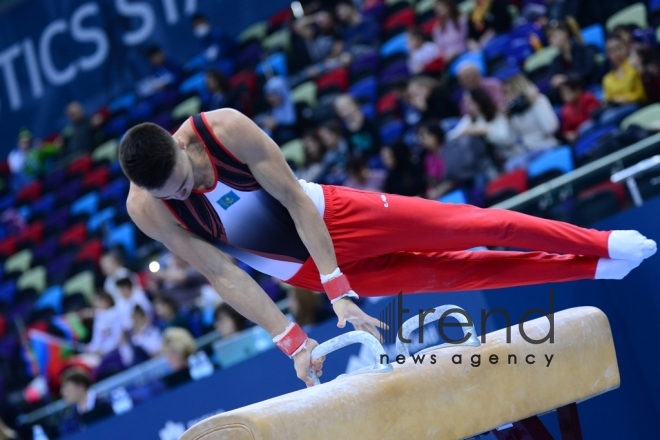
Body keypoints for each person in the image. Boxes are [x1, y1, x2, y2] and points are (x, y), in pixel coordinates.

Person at [119, 108, 657, 387]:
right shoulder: (148, 210)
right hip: (299, 268)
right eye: (171, 195)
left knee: (472, 225)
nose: (183, 194)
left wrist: (339, 290)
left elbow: (298, 204)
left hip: (334, 218)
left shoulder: (225, 131)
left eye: (184, 181)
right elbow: (225, 274)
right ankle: (597, 267)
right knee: (464, 275)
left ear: (178, 144)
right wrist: (294, 341)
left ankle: (600, 241)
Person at [502, 73, 560, 170]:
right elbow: (512, 140)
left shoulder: (539, 100)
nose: (508, 98)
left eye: (510, 93)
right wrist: (508, 121)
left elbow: (551, 128)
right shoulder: (514, 112)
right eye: (506, 94)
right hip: (528, 152)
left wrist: (535, 103)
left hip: (546, 146)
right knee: (510, 166)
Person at [599, 35, 646, 126]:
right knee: (585, 127)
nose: (616, 53)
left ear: (626, 47)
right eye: (612, 51)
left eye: (618, 48)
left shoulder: (634, 66)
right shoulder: (607, 79)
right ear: (608, 55)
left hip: (636, 105)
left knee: (607, 118)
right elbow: (608, 100)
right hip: (616, 109)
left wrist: (623, 99)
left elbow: (642, 94)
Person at [545, 19, 598, 92]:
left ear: (565, 33)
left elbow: (589, 71)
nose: (551, 41)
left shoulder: (585, 50)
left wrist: (567, 78)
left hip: (589, 89)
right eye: (549, 38)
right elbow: (552, 80)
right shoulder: (556, 61)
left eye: (554, 36)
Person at [58, 368, 114, 435]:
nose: (64, 394)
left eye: (68, 389)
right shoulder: (72, 416)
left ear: (81, 387)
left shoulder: (104, 403)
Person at [333, 94, 380, 159]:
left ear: (355, 104)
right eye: (341, 109)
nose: (345, 110)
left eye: (347, 106)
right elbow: (351, 152)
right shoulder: (345, 131)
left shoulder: (369, 121)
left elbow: (379, 143)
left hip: (377, 155)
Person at [558, 76, 601, 142]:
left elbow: (593, 117)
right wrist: (568, 134)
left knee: (585, 127)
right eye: (563, 94)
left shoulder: (588, 98)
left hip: (593, 127)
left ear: (577, 90)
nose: (565, 97)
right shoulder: (565, 109)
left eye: (568, 93)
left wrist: (577, 132)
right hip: (578, 135)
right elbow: (566, 129)